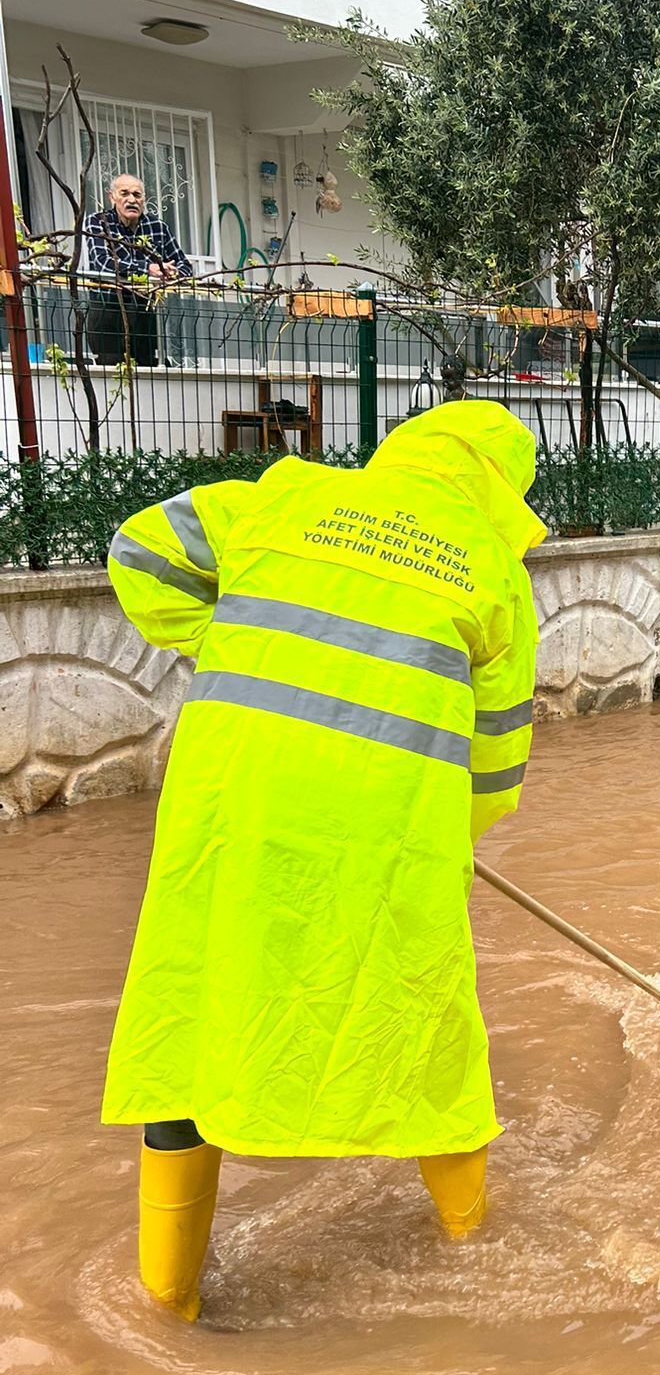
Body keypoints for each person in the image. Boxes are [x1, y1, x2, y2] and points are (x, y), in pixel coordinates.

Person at [103, 401, 545, 1320]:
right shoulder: (492, 573)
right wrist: (447, 839)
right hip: (387, 848)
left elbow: (140, 554)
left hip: (229, 819)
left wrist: (229, 643)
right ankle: (474, 1247)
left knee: (191, 1020)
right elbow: (496, 764)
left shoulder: (281, 496)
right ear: (502, 491)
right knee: (426, 1029)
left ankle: (169, 1301)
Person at [83, 174, 193, 368]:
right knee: (111, 372)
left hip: (144, 312)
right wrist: (148, 269)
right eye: (124, 193)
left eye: (137, 194)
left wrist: (169, 272)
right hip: (107, 309)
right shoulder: (98, 222)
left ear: (144, 199)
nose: (131, 200)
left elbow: (185, 267)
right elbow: (103, 263)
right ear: (112, 197)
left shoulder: (158, 227)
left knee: (147, 371)